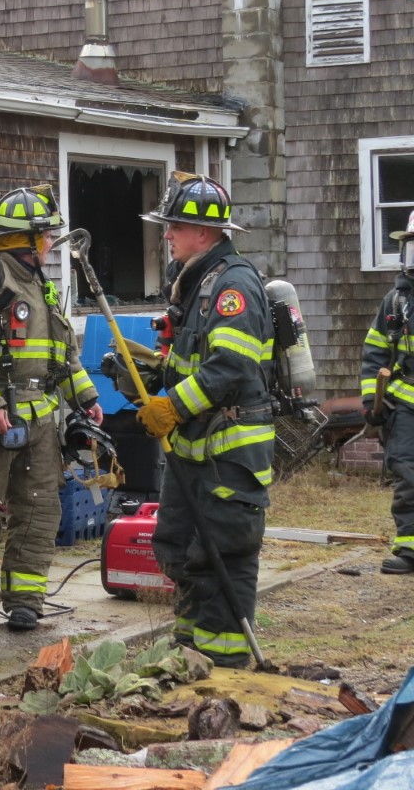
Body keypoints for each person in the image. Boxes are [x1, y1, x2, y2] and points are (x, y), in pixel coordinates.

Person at [0, 185, 103, 630]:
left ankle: (25, 602)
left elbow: (65, 354)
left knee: (38, 513)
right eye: (46, 236)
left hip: (40, 423)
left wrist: (86, 397)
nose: (52, 243)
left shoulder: (42, 287)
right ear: (28, 241)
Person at [137, 171, 274, 669]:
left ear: (204, 232)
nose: (167, 234)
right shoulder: (196, 281)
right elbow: (193, 361)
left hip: (229, 454)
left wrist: (173, 406)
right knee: (182, 549)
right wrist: (152, 376)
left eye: (174, 225)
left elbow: (231, 366)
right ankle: (191, 656)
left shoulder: (233, 284)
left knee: (223, 555)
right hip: (193, 454)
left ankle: (227, 668)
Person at [361, 209, 414, 575]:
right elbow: (374, 352)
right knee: (408, 475)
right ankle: (409, 549)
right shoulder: (396, 302)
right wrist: (371, 403)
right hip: (405, 406)